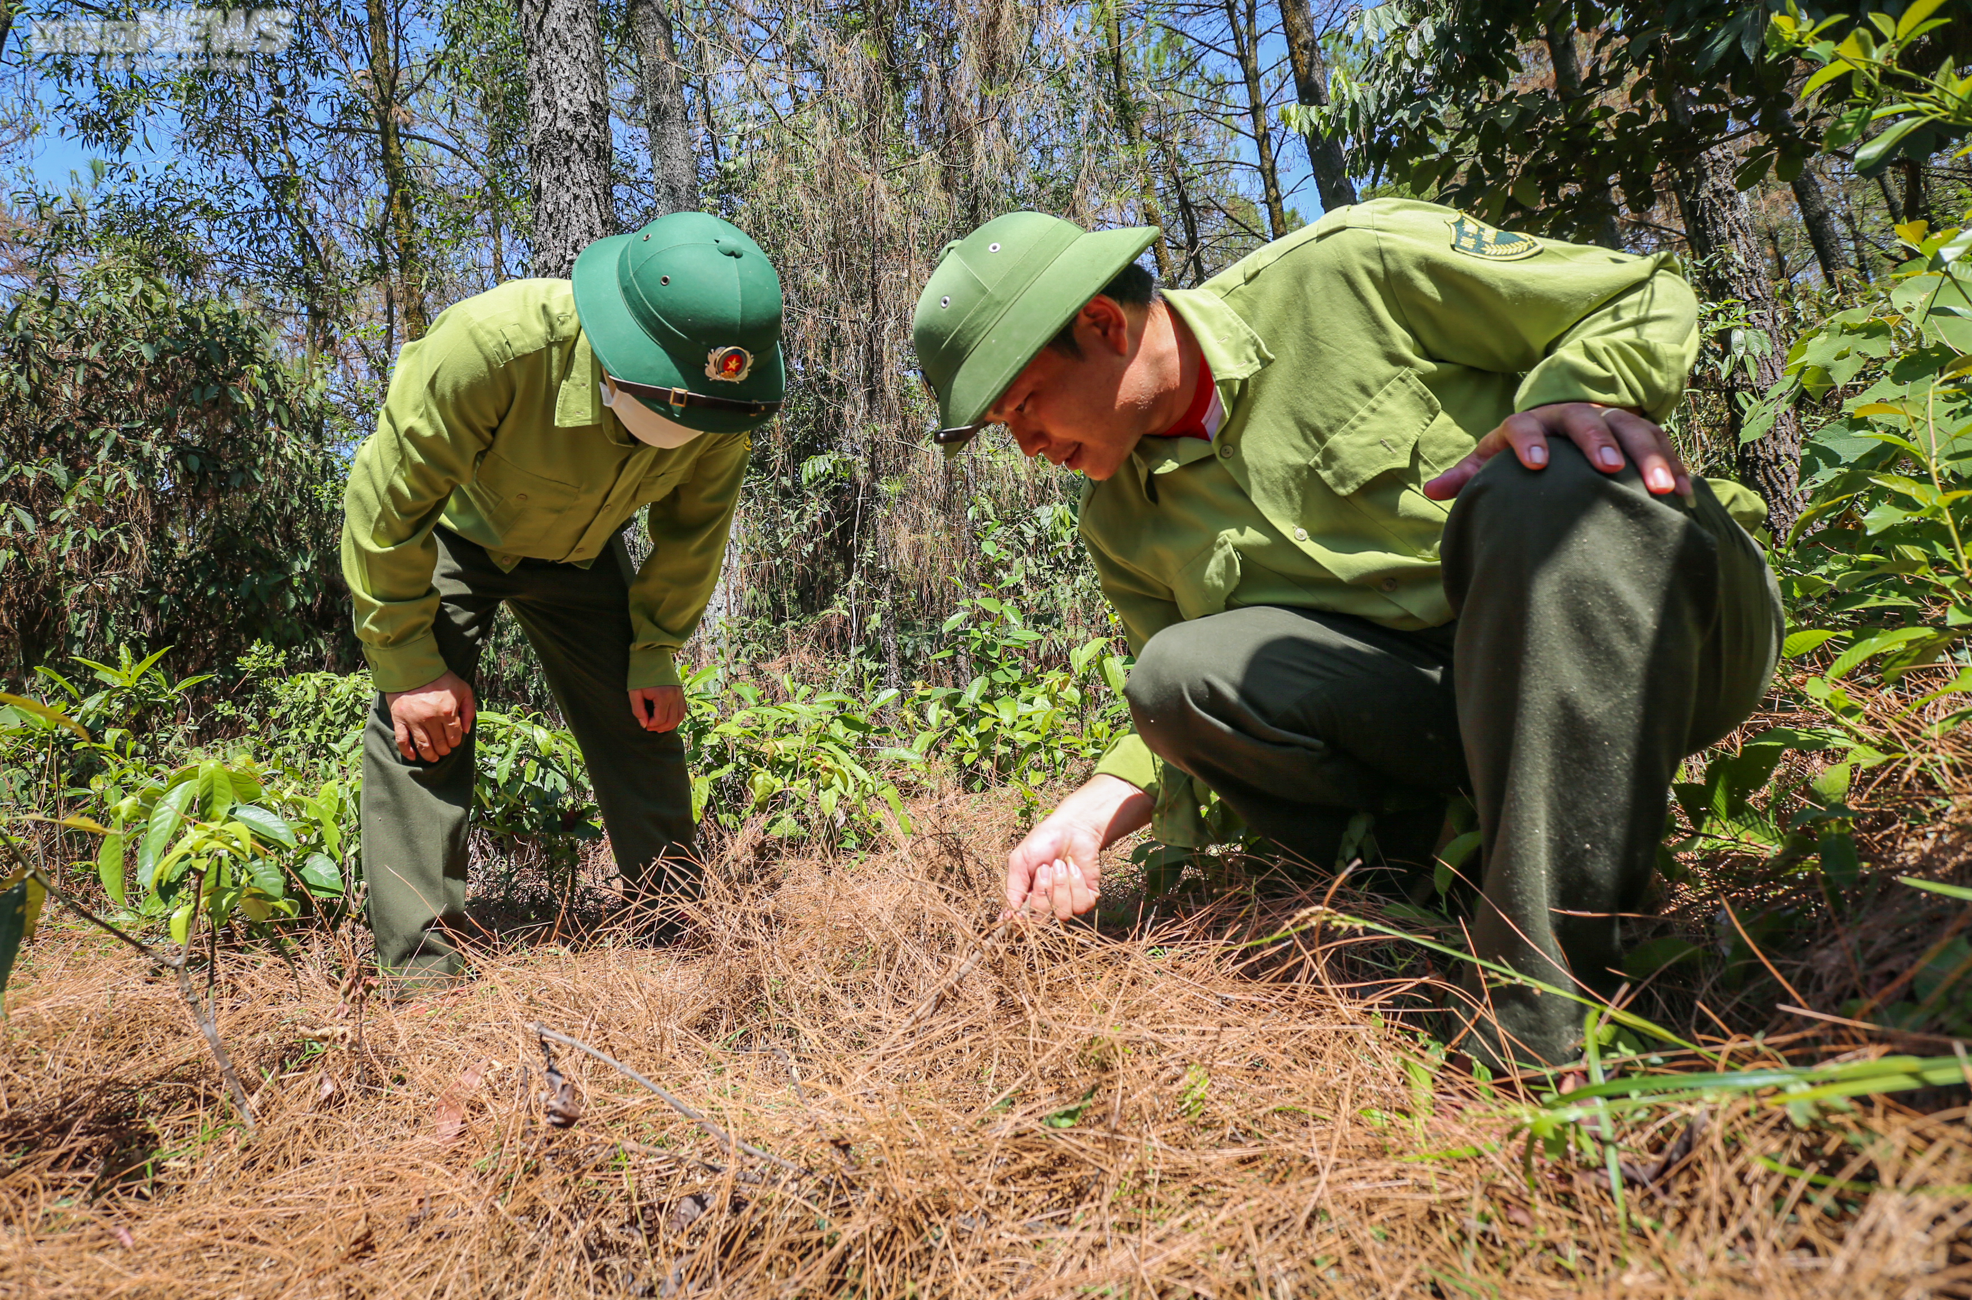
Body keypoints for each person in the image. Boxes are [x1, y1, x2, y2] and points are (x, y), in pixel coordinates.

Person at [910, 200, 1782, 1069]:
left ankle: (1540, 1025)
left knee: (1542, 475)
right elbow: (1195, 704)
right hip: (1453, 717)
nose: (1027, 446)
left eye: (1024, 405)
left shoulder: (1353, 270)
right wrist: (1098, 801)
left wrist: (1570, 401)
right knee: (1174, 676)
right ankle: (1447, 904)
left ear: (1103, 323)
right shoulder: (1120, 523)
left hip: (1675, 632)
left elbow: (1636, 294)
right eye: (1003, 430)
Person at [342, 211, 783, 992]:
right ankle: (423, 983)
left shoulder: (724, 401)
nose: (684, 430)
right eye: (666, 407)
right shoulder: (492, 347)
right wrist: (408, 664)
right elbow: (388, 503)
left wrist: (655, 650)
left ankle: (676, 929)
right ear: (618, 353)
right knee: (424, 726)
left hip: (582, 553)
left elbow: (694, 534)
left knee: (643, 714)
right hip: (459, 534)